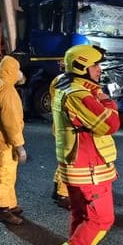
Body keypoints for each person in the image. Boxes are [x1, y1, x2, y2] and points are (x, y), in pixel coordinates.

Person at [44, 45, 120, 245]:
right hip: (89, 168)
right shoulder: (80, 94)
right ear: (81, 67)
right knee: (101, 219)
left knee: (82, 217)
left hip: (77, 166)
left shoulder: (64, 85)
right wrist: (105, 97)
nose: (99, 70)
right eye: (95, 65)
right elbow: (110, 123)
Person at [0, 56, 27, 225]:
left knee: (8, 171)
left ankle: (10, 203)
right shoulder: (7, 90)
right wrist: (19, 144)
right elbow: (11, 121)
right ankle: (3, 209)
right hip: (5, 139)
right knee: (4, 173)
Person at [49, 73, 71, 210]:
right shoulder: (67, 81)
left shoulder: (58, 79)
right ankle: (63, 194)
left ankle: (57, 187)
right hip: (66, 128)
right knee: (68, 162)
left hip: (59, 125)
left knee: (63, 159)